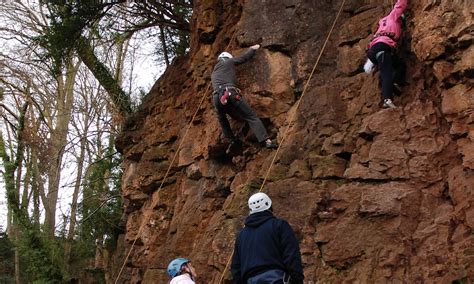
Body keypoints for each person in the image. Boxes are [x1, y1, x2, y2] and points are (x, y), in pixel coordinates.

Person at [211, 44, 278, 150]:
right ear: (227, 58)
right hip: (230, 92)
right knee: (251, 117)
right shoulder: (228, 62)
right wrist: (252, 49)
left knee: (222, 119)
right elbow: (243, 58)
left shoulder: (214, 73)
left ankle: (232, 140)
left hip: (216, 98)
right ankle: (266, 141)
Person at [230, 192, 304, 284]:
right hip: (277, 279)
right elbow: (291, 254)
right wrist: (297, 279)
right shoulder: (279, 225)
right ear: (269, 206)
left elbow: (236, 268)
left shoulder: (241, 235)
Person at [364, 0, 408, 109]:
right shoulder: (393, 17)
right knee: (386, 73)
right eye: (401, 22)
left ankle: (394, 84)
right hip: (382, 47)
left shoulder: (382, 24)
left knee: (400, 65)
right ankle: (387, 99)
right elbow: (400, 5)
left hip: (376, 48)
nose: (401, 25)